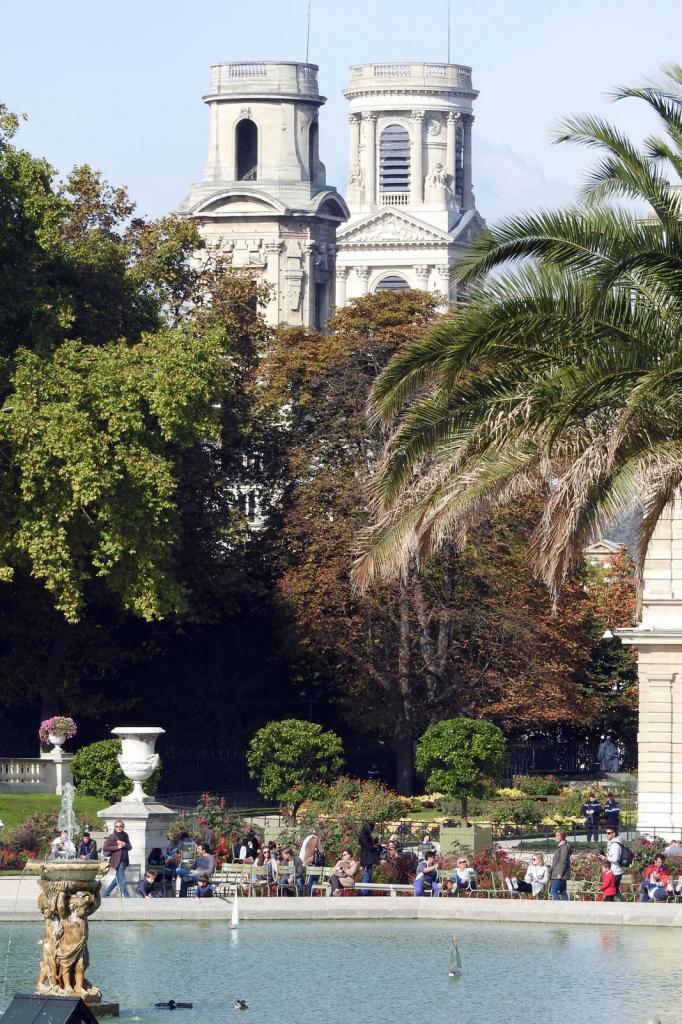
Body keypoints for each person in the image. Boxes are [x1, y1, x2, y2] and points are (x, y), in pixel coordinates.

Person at [102, 820, 132, 898]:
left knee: (118, 877)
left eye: (120, 826)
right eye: (117, 826)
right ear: (115, 827)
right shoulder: (112, 836)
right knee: (121, 877)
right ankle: (126, 895)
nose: (118, 828)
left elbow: (130, 847)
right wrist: (117, 847)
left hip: (124, 859)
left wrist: (124, 844)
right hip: (117, 860)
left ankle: (106, 893)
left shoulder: (125, 835)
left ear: (123, 827)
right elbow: (105, 847)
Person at [599, 827, 626, 902]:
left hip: (615, 871)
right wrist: (605, 856)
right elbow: (612, 857)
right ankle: (625, 903)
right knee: (615, 890)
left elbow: (615, 859)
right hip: (615, 871)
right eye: (606, 833)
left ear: (614, 834)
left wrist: (605, 858)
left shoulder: (615, 845)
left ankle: (622, 903)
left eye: (609, 833)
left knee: (611, 891)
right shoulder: (612, 843)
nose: (607, 835)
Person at [549, 830, 571, 900]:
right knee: (563, 892)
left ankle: (558, 905)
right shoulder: (561, 846)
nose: (556, 837)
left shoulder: (564, 847)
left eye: (558, 835)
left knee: (553, 890)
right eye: (556, 835)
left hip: (559, 874)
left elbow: (563, 861)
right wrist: (550, 871)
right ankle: (566, 905)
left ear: (562, 836)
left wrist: (560, 873)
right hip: (560, 873)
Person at [359, 822, 379, 895]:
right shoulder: (364, 836)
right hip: (367, 857)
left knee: (369, 875)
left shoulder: (365, 835)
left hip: (367, 857)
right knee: (367, 875)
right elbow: (368, 846)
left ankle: (367, 891)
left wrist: (376, 840)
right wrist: (375, 847)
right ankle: (364, 892)